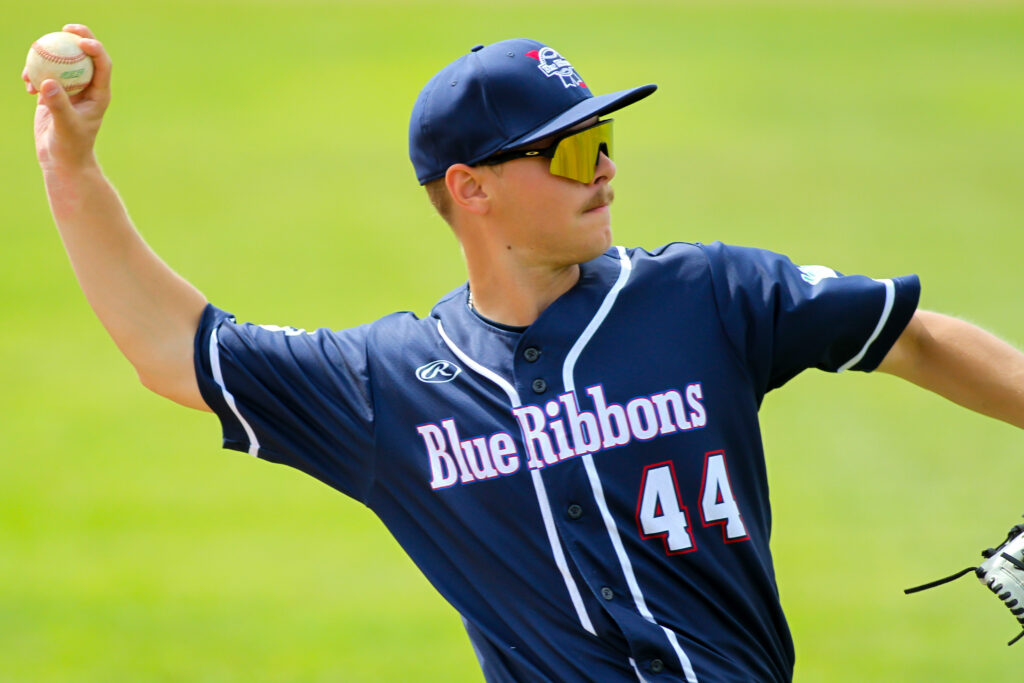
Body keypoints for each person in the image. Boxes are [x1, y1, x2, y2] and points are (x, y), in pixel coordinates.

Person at [26, 25, 1024, 683]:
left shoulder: (708, 295)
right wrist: (67, 163)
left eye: (603, 140)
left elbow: (916, 338)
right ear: (470, 189)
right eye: (572, 151)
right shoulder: (392, 386)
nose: (606, 171)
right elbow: (175, 348)